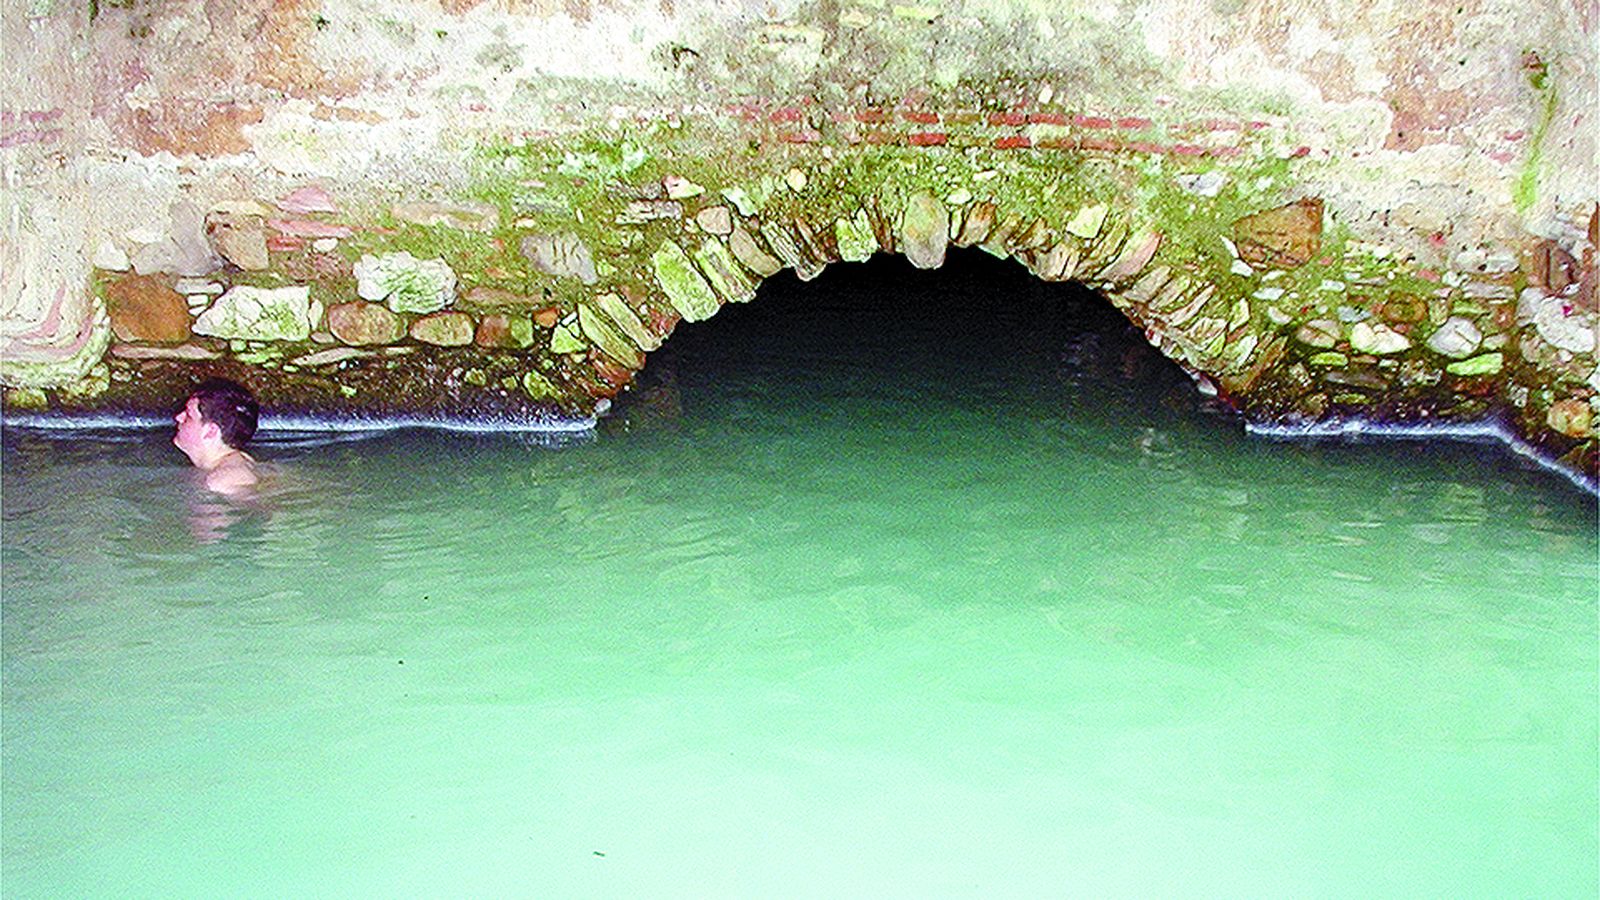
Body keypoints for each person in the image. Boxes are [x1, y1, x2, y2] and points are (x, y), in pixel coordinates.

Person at [173, 377, 260, 495]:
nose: (178, 418)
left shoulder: (221, 482)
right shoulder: (234, 464)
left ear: (211, 431)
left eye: (188, 415)